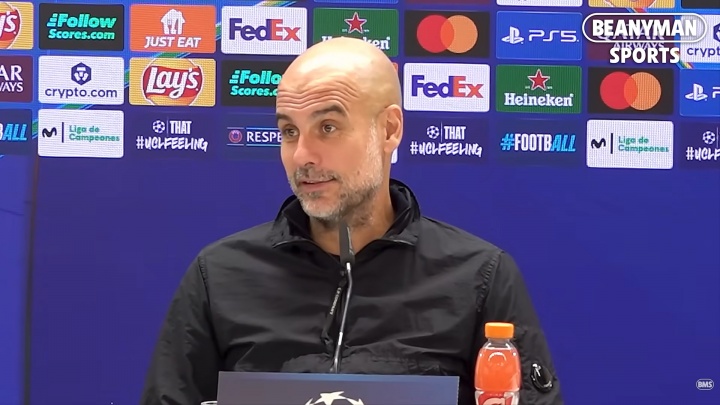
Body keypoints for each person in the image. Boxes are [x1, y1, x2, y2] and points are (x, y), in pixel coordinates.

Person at [140, 37, 563, 405]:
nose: (302, 155)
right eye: (289, 131)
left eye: (328, 127)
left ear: (389, 130)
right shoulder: (219, 274)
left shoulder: (480, 276)